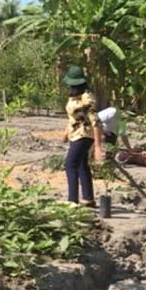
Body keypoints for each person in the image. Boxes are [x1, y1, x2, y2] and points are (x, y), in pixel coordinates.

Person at [62, 65, 104, 207]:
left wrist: (97, 146)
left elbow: (95, 121)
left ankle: (72, 200)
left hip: (84, 135)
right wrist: (66, 132)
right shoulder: (74, 96)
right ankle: (88, 198)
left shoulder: (87, 97)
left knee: (70, 164)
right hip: (75, 134)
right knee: (81, 164)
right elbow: (73, 118)